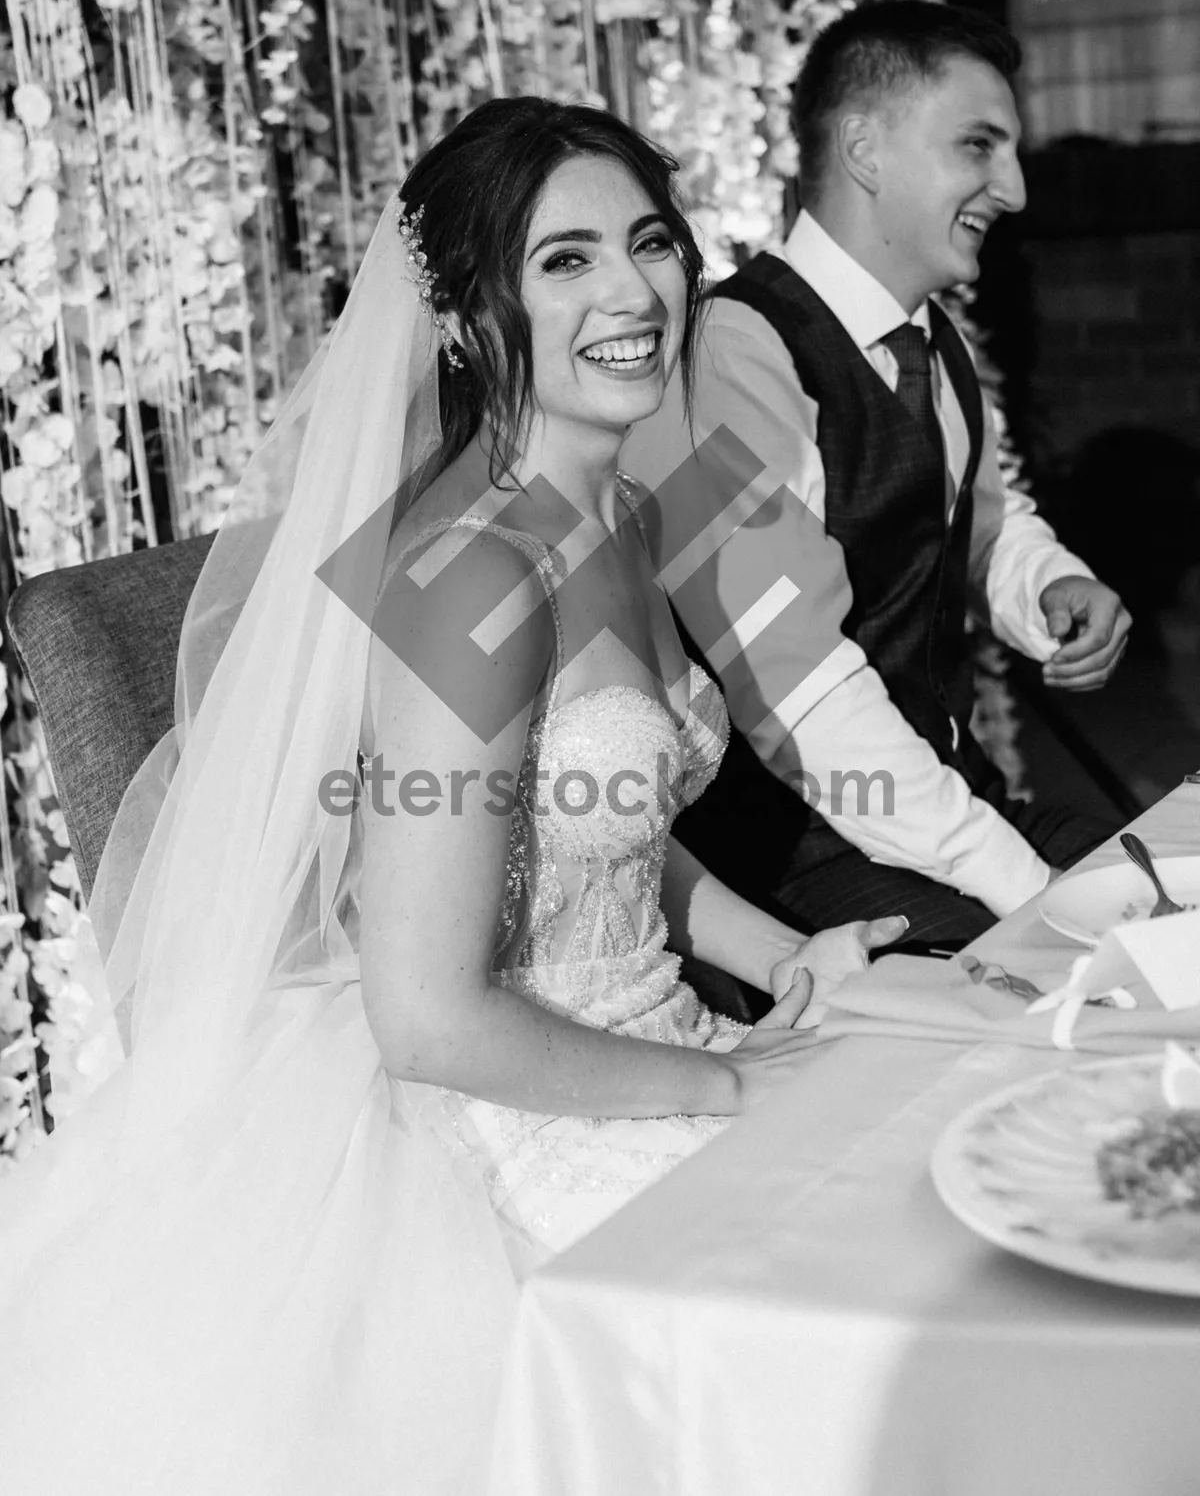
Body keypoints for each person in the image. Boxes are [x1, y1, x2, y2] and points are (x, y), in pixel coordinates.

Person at [0, 97, 903, 1495]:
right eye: (565, 260)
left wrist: (780, 955)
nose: (631, 290)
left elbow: (592, 816)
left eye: (650, 241)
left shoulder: (623, 509)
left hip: (638, 1037)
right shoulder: (473, 573)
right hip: (495, 1119)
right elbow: (425, 1018)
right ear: (472, 317)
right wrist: (726, 1085)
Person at [623, 0, 1132, 950]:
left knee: (1168, 894)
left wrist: (1045, 583)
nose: (1013, 190)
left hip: (948, 812)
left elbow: (978, 513)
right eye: (979, 146)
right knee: (1094, 985)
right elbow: (801, 694)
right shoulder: (730, 357)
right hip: (799, 857)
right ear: (863, 148)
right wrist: (1028, 886)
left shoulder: (930, 336)